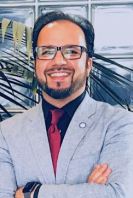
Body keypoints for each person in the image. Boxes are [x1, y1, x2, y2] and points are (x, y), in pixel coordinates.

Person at [0, 11, 133, 198]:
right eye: (46, 51)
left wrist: (34, 193)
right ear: (36, 63)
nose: (59, 61)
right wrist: (89, 191)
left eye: (72, 51)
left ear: (88, 64)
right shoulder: (6, 132)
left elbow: (119, 194)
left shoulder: (120, 124)